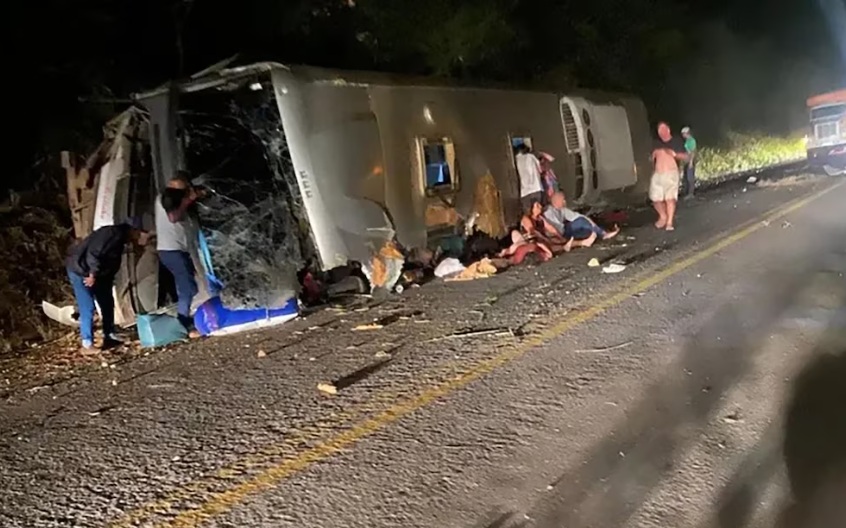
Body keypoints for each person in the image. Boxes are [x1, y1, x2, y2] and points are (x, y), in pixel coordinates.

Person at [66, 220, 150, 350]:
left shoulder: (121, 240)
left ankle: (109, 336)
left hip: (101, 274)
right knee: (87, 306)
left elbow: (110, 261)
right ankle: (87, 343)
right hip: (81, 270)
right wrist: (92, 274)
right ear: (133, 230)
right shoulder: (111, 234)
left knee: (107, 302)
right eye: (139, 234)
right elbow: (93, 254)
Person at [156, 173, 203, 336]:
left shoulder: (164, 198)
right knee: (187, 289)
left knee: (187, 286)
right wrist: (187, 200)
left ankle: (184, 319)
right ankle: (183, 324)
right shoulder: (168, 199)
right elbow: (173, 217)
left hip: (173, 250)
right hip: (172, 250)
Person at [650, 122, 688, 231]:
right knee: (655, 198)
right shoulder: (656, 143)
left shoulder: (676, 141)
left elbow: (686, 157)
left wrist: (674, 154)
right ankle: (663, 216)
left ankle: (669, 222)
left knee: (669, 198)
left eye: (664, 129)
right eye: (659, 130)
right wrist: (654, 155)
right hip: (658, 173)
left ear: (668, 130)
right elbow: (651, 158)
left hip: (671, 173)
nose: (662, 132)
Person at [544, 191, 619, 243]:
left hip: (564, 230)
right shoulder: (549, 212)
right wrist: (562, 239)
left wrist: (592, 223)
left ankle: (601, 233)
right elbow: (554, 230)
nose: (565, 202)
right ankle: (600, 235)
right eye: (563, 200)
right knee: (582, 227)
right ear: (557, 201)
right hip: (558, 234)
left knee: (581, 222)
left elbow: (578, 216)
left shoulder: (562, 209)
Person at [515, 144, 543, 212]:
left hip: (524, 191)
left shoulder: (516, 160)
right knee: (537, 210)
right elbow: (540, 170)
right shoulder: (531, 157)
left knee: (527, 212)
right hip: (536, 187)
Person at [681, 126, 697, 198]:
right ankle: (687, 192)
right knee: (686, 177)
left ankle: (691, 193)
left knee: (690, 177)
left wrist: (690, 162)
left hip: (690, 160)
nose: (682, 135)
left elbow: (693, 152)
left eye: (683, 134)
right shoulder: (687, 141)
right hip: (687, 161)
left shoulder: (692, 141)